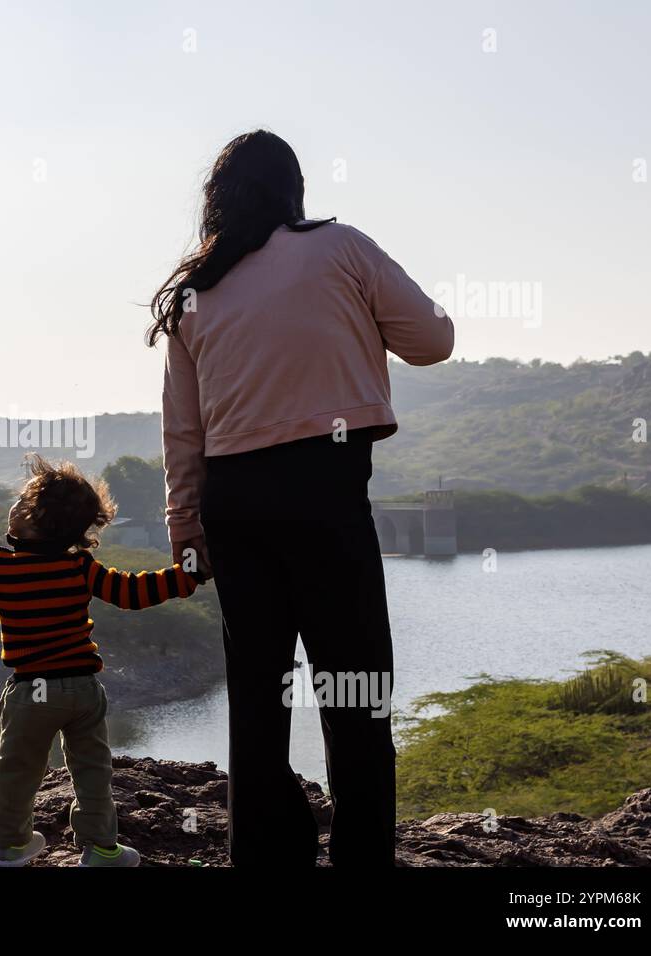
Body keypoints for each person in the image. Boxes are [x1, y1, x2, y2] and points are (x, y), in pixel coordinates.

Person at [154, 130, 454, 866]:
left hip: (233, 502)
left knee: (257, 695)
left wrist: (183, 520)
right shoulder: (341, 248)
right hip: (327, 493)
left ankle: (266, 855)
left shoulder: (198, 285)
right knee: (354, 690)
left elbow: (181, 427)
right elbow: (432, 340)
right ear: (295, 191)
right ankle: (360, 858)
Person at [0, 456, 200, 866]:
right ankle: (101, 848)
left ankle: (13, 845)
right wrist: (189, 574)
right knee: (93, 772)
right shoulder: (78, 566)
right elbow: (133, 593)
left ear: (35, 519)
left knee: (18, 772)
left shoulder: (1, 568)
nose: (12, 507)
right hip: (82, 689)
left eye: (21, 503)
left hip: (30, 691)